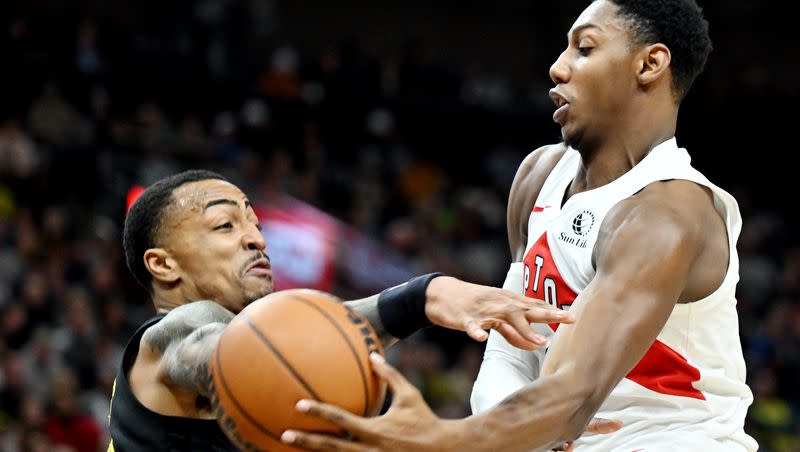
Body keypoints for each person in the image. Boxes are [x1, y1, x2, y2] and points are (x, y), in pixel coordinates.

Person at [280, 0, 757, 451]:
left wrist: (443, 439)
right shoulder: (539, 176)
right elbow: (511, 352)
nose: (558, 66)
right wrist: (515, 432)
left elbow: (570, 398)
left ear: (650, 64)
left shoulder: (668, 213)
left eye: (584, 48)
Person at [107, 169, 575, 451]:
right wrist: (422, 298)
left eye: (254, 222)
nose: (255, 237)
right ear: (163, 264)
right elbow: (235, 349)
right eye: (224, 225)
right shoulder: (172, 336)